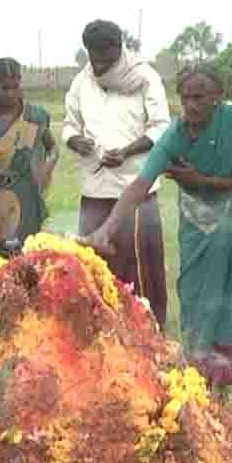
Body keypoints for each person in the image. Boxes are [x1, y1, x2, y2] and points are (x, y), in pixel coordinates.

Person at [82, 62, 232, 387]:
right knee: (193, 288)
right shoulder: (175, 136)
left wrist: (203, 181)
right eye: (185, 97)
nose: (190, 105)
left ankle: (224, 367)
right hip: (196, 218)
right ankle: (199, 360)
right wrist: (105, 229)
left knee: (229, 286)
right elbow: (140, 185)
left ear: (217, 97)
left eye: (199, 97)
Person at [63, 19, 171, 330]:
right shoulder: (81, 83)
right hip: (95, 188)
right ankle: (103, 327)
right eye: (92, 57)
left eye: (104, 58)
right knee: (95, 263)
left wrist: (126, 151)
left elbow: (161, 127)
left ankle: (148, 330)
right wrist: (78, 141)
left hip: (135, 188)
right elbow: (70, 125)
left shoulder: (145, 77)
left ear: (118, 48)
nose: (98, 65)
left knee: (138, 263)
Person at [0, 57, 58, 246]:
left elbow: (53, 148)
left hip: (28, 192)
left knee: (30, 248)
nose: (11, 94)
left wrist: (47, 168)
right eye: (4, 88)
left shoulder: (36, 115)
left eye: (15, 87)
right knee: (1, 250)